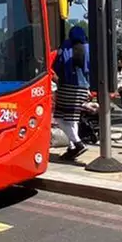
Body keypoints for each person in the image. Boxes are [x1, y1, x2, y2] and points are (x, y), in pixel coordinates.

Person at [52, 26, 91, 162]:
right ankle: (72, 146)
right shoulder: (88, 47)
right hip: (83, 86)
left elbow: (58, 63)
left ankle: (77, 143)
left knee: (59, 117)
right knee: (73, 118)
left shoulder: (66, 45)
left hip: (67, 85)